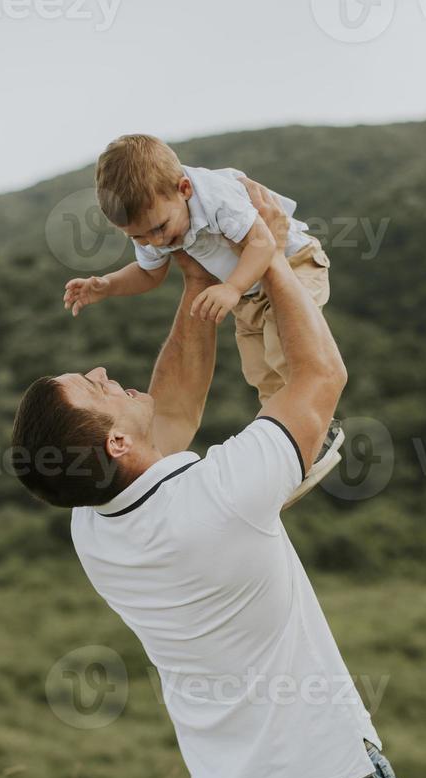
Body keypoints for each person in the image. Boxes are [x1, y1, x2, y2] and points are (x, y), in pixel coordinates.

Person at [15, 178, 426, 778]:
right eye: (96, 388)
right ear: (114, 444)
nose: (108, 372)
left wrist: (195, 274)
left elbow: (172, 408)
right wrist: (269, 251)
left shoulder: (92, 528)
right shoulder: (223, 493)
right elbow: (320, 377)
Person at [61, 133, 343, 508]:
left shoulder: (217, 198)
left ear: (185, 189)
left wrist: (230, 288)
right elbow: (150, 275)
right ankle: (296, 443)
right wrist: (106, 285)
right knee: (260, 371)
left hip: (293, 266)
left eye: (159, 229)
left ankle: (321, 432)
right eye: (139, 237)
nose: (155, 242)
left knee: (284, 351)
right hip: (246, 293)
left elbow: (264, 242)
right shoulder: (152, 219)